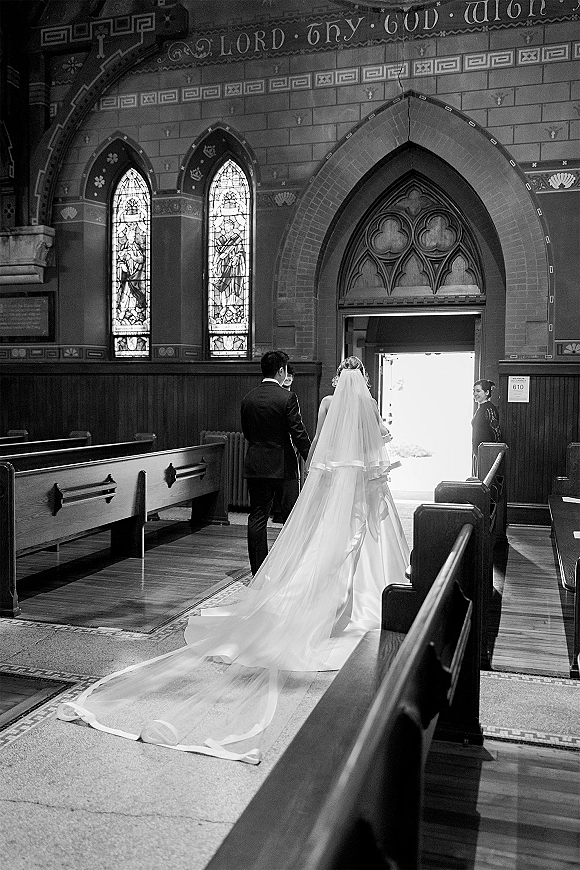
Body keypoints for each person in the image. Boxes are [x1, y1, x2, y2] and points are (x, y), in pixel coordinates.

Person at [57, 360, 410, 763]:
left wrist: (321, 473)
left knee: (286, 532)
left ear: (337, 380)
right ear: (363, 379)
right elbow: (360, 442)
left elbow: (316, 448)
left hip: (280, 470)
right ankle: (354, 608)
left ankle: (265, 574)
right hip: (350, 486)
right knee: (356, 550)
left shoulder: (306, 400)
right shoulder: (365, 405)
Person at [241, 351, 311, 575]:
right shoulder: (286, 397)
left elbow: (248, 433)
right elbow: (298, 433)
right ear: (281, 370)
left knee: (258, 516)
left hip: (256, 465)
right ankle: (290, 570)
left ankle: (259, 572)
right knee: (291, 518)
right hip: (283, 467)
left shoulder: (248, 398)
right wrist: (311, 458)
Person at [271, 364, 300, 524]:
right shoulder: (282, 396)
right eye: (286, 375)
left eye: (291, 376)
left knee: (286, 484)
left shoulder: (290, 396)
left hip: (289, 441)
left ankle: (284, 514)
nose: (288, 378)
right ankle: (278, 512)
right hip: (279, 443)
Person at [472, 378, 501, 475]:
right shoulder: (481, 409)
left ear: (487, 392)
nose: (475, 394)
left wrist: (494, 452)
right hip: (481, 452)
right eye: (474, 391)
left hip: (487, 453)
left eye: (478, 391)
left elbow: (496, 431)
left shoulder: (489, 408)